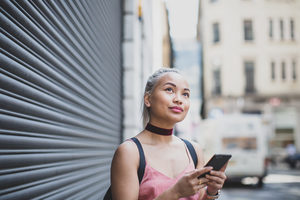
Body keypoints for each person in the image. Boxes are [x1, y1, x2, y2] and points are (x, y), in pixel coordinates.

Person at [110, 68, 228, 200]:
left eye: (185, 94)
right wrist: (175, 192)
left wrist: (211, 192)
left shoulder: (194, 151)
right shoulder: (130, 152)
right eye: (169, 90)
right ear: (148, 99)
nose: (179, 99)